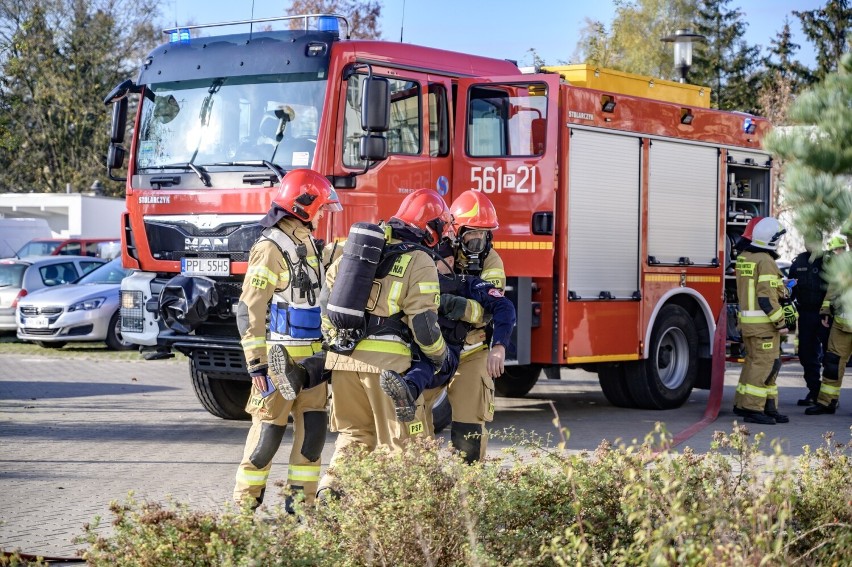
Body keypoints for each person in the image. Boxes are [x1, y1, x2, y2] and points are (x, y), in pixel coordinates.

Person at [316, 188, 451, 497]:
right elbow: (425, 326)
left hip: (344, 362)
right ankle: (391, 520)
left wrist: (334, 344)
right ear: (431, 228)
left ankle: (331, 492)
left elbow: (326, 303)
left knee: (354, 436)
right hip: (390, 370)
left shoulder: (356, 251)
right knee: (400, 444)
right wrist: (440, 357)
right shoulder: (420, 260)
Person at [232, 169, 342, 512]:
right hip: (277, 365)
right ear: (304, 205)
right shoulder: (269, 248)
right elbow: (250, 308)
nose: (323, 215)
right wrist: (257, 363)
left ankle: (300, 509)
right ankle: (243, 510)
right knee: (266, 440)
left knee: (312, 438)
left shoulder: (306, 241)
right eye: (320, 207)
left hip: (312, 365)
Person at [380, 241, 516, 427]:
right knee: (415, 434)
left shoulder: (465, 283)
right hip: (425, 349)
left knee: (430, 362)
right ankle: (407, 392)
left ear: (450, 260)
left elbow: (504, 306)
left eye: (435, 259)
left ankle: (409, 389)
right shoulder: (418, 278)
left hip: (449, 354)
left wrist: (499, 347)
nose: (428, 263)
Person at [421, 190, 507, 462]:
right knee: (413, 416)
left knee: (469, 428)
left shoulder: (492, 261)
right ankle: (419, 487)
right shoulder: (436, 254)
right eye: (472, 233)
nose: (478, 241)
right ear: (456, 231)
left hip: (473, 350)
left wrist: (457, 306)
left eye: (484, 234)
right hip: (436, 349)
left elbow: (489, 312)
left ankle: (468, 494)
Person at [732, 217, 795, 425]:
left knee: (755, 364)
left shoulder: (745, 257)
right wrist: (781, 323)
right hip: (764, 326)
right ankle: (753, 409)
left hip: (749, 325)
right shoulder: (765, 261)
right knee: (764, 366)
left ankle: (755, 405)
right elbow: (766, 297)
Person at [805, 242, 851, 415]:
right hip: (841, 323)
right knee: (832, 363)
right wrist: (825, 311)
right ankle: (826, 402)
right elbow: (832, 288)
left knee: (832, 363)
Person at [788, 242, 832, 405]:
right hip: (805, 314)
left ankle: (828, 397)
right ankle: (815, 391)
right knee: (806, 354)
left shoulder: (828, 261)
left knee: (830, 357)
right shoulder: (799, 261)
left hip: (825, 316)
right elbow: (790, 288)